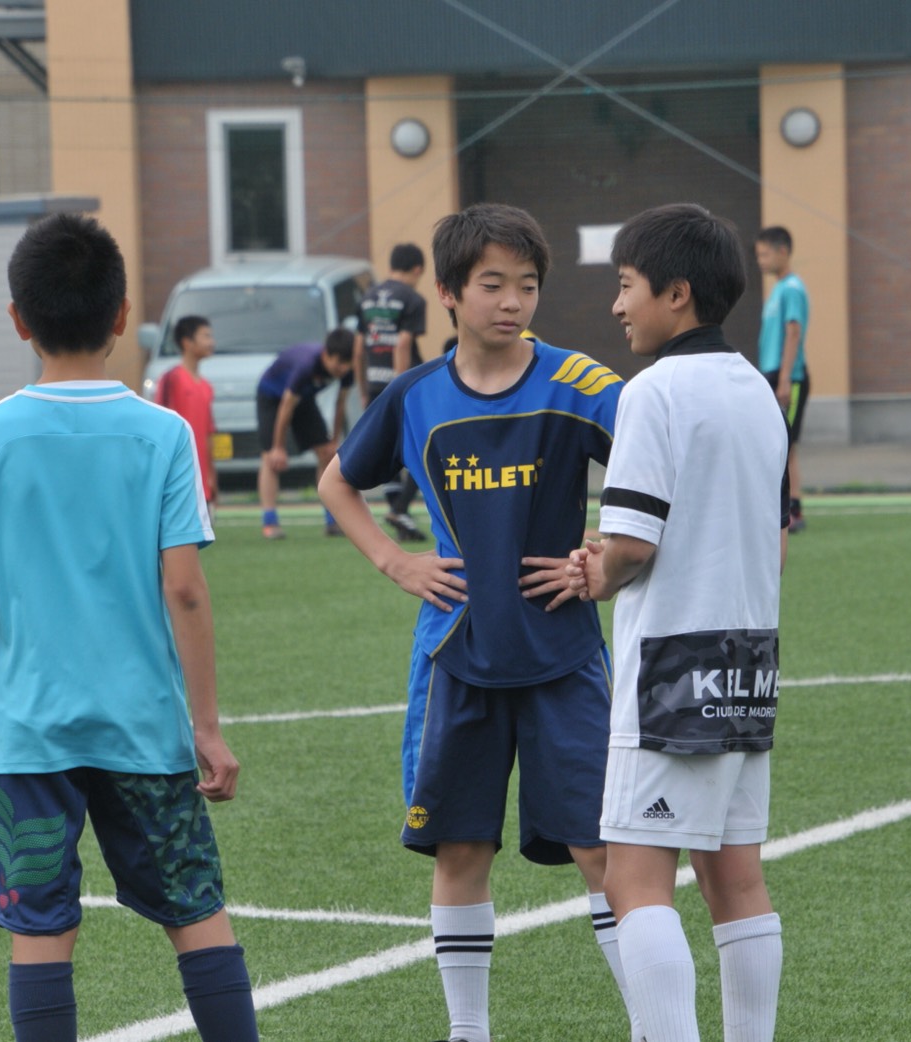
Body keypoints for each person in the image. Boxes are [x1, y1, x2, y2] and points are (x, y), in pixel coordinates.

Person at [0, 212, 258, 1042]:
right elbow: (185, 590)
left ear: (19, 319)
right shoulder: (163, 433)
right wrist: (207, 727)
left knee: (41, 931)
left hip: (27, 734)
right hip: (143, 728)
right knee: (197, 911)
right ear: (121, 316)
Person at [318, 203, 638, 1042]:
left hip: (564, 656)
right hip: (457, 655)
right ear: (449, 293)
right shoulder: (415, 395)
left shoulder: (580, 383)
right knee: (460, 849)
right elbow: (337, 482)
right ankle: (469, 1032)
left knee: (601, 850)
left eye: (527, 285)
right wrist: (396, 562)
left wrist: (604, 556)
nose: (512, 301)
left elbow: (658, 462)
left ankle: (651, 1024)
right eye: (492, 284)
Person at [569, 203, 788, 1042]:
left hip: (671, 664)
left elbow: (630, 542)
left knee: (634, 880)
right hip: (749, 657)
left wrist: (597, 573)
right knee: (736, 876)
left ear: (677, 292)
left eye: (627, 285)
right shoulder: (757, 391)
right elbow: (771, 538)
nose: (618, 305)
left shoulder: (652, 391)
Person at [354, 242, 429, 542]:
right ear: (417, 269)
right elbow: (403, 343)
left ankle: (400, 513)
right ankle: (400, 508)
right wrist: (400, 386)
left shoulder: (368, 297)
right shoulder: (412, 298)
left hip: (374, 381)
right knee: (424, 444)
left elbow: (358, 348)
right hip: (404, 383)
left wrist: (363, 389)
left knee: (390, 449)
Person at [255, 329, 355, 539]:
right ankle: (270, 521)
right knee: (270, 458)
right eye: (339, 363)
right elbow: (286, 406)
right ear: (326, 355)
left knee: (327, 454)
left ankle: (332, 520)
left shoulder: (347, 370)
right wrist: (279, 447)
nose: (343, 369)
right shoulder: (307, 365)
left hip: (303, 399)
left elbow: (340, 404)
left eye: (347, 363)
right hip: (272, 396)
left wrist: (333, 440)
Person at [754, 225, 809, 533]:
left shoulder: (792, 289)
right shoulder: (778, 289)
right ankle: (784, 507)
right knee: (777, 443)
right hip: (772, 374)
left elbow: (793, 331)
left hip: (789, 377)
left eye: (764, 254)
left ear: (783, 251)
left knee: (786, 445)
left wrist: (785, 378)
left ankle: (794, 510)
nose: (760, 260)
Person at [155, 315, 219, 504]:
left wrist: (212, 475)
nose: (211, 342)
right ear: (187, 342)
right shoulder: (172, 379)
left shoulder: (206, 386)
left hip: (202, 480)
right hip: (179, 477)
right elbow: (161, 427)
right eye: (206, 336)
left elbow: (208, 434)